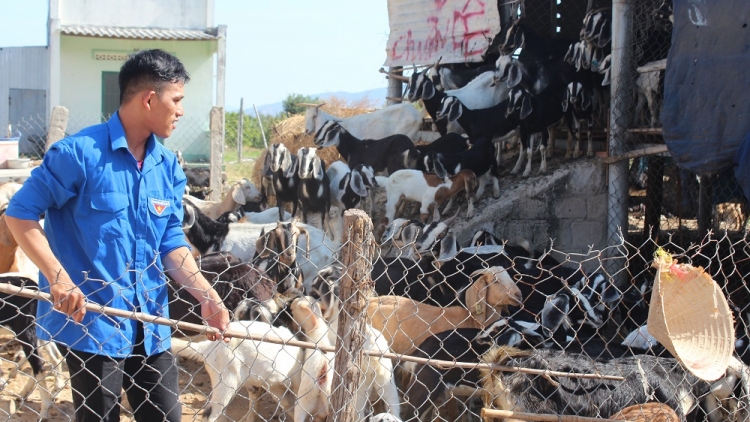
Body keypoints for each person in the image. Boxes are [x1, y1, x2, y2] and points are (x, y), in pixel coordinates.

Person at [5, 49, 230, 422]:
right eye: (177, 100)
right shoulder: (79, 154)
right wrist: (58, 279)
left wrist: (207, 296)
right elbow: (19, 214)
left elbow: (171, 242)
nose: (181, 111)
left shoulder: (167, 167)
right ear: (149, 99)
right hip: (93, 324)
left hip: (152, 326)